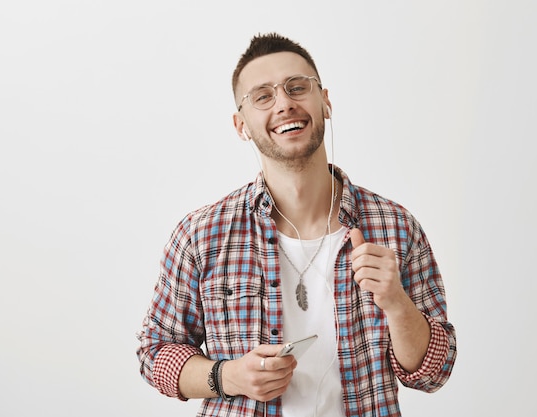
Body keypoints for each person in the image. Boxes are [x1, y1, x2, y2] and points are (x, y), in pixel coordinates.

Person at [136, 32, 457, 417]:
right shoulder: (202, 235)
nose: (285, 104)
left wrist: (397, 304)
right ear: (242, 125)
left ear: (325, 102)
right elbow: (154, 352)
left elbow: (433, 373)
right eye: (263, 96)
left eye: (297, 87)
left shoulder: (395, 227)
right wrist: (228, 376)